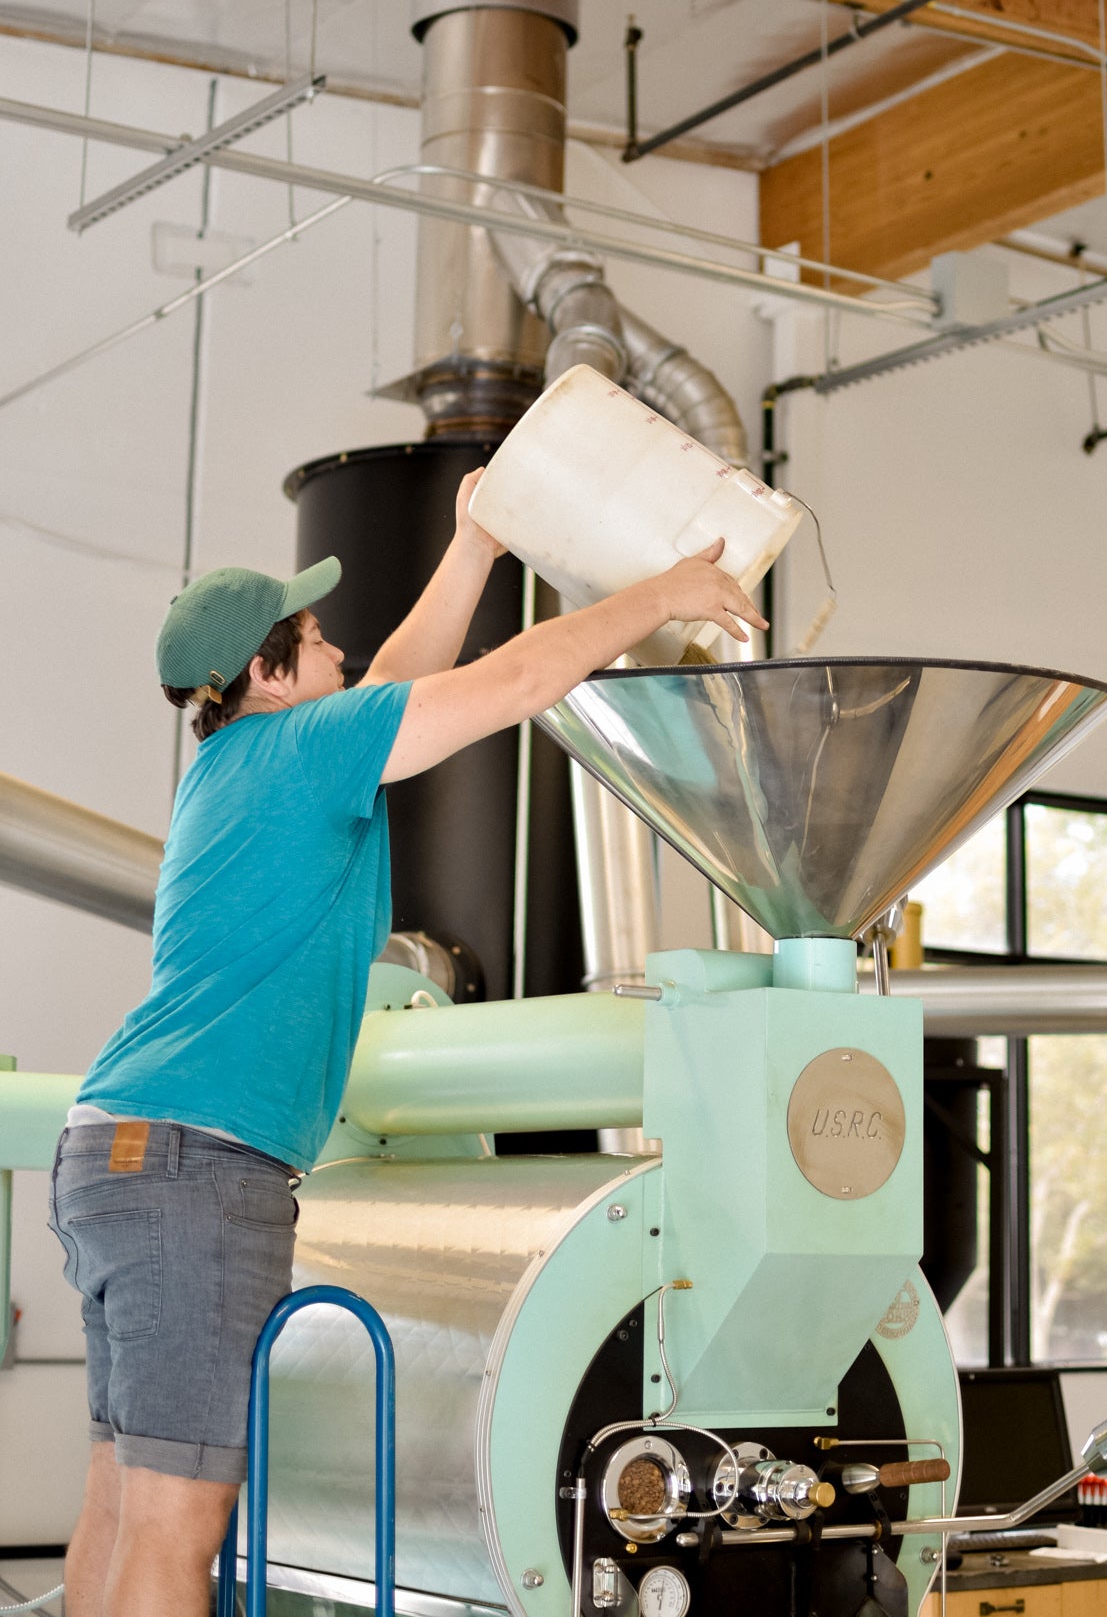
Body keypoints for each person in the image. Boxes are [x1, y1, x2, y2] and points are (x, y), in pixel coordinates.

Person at [49, 468, 764, 1617]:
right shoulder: (305, 752)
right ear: (269, 674)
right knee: (182, 1522)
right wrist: (661, 592)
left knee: (124, 1501)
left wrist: (474, 540)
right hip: (197, 1165)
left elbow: (401, 678)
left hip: (121, 1154)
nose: (341, 647)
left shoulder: (245, 763)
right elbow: (513, 678)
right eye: (316, 636)